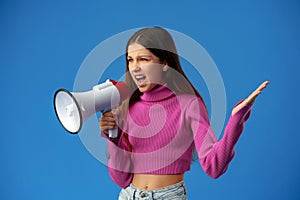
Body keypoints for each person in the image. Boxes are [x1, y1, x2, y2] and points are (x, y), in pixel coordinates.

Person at [100, 27, 269, 200]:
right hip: (128, 195)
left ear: (165, 64)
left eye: (143, 59)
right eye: (130, 60)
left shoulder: (189, 105)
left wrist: (237, 119)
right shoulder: (129, 107)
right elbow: (121, 179)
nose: (135, 68)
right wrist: (113, 138)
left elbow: (214, 166)